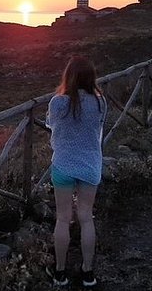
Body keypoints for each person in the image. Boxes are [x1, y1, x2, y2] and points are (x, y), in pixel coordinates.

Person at [45, 56, 107, 288]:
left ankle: (60, 272)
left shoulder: (57, 102)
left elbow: (53, 126)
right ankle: (87, 273)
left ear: (68, 76)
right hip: (90, 165)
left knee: (62, 218)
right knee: (86, 217)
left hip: (63, 165)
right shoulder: (100, 102)